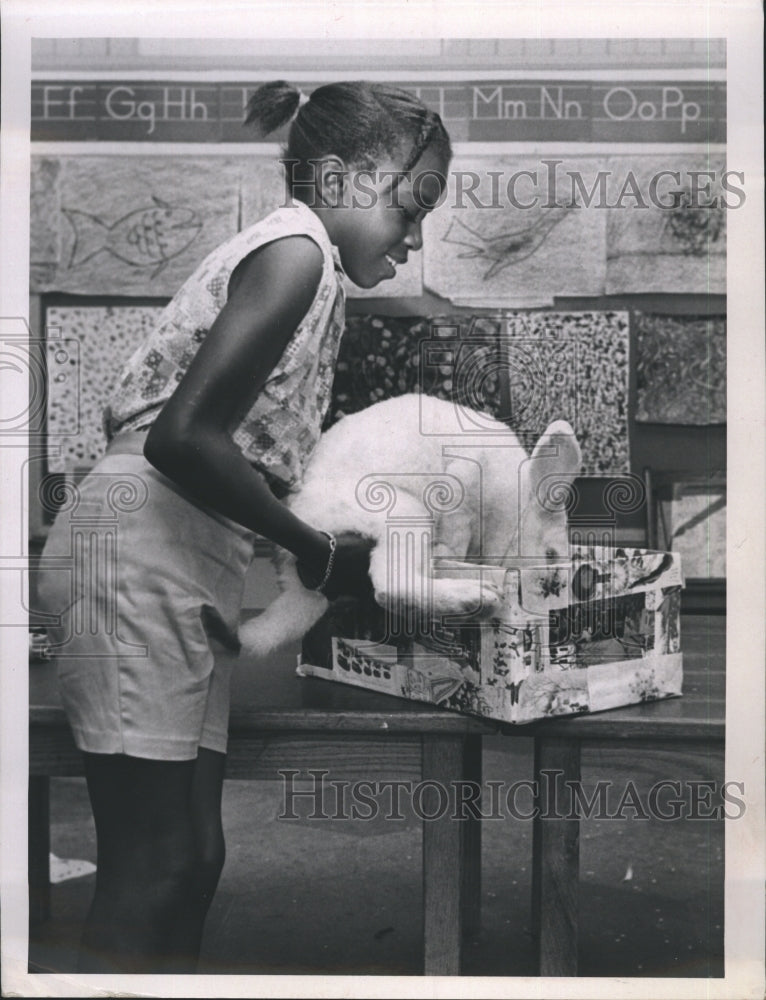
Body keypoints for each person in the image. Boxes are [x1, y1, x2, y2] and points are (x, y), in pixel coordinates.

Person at [37, 79, 452, 973]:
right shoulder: (297, 252)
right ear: (341, 179)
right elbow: (181, 440)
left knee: (194, 858)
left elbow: (220, 445)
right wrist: (316, 553)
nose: (417, 239)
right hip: (141, 548)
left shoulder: (307, 266)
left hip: (180, 557)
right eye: (412, 206)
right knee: (150, 867)